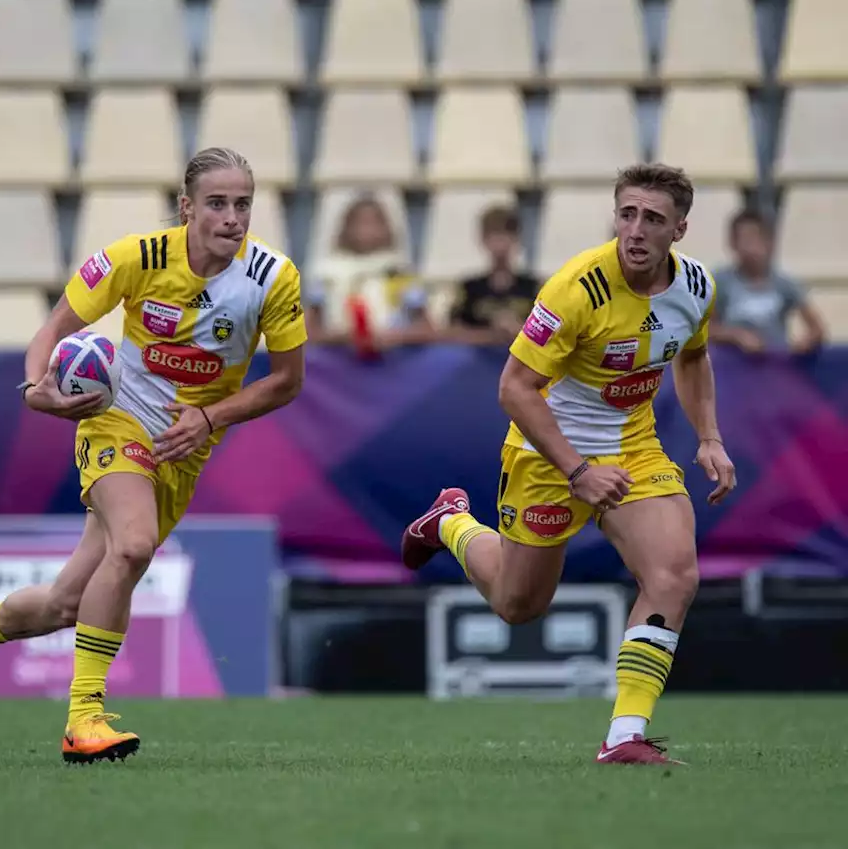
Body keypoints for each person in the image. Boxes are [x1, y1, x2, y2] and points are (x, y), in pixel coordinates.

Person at [0, 146, 308, 764]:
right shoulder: (136, 258)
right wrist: (37, 392)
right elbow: (50, 333)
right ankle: (84, 718)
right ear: (186, 208)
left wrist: (210, 417)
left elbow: (289, 381)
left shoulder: (272, 278)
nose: (232, 217)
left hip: (183, 449)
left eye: (242, 204)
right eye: (217, 204)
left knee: (64, 605)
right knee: (133, 546)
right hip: (117, 425)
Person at [404, 163, 737, 766]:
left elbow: (692, 358)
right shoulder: (576, 288)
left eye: (653, 219)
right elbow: (514, 388)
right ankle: (451, 521)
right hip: (546, 454)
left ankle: (623, 737)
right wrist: (579, 471)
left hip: (634, 449)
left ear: (679, 229)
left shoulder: (695, 287)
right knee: (518, 605)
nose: (635, 230)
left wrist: (709, 437)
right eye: (626, 214)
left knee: (674, 575)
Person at [305, 194, 432, 357]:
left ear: (386, 228)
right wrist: (341, 337)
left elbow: (426, 328)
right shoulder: (327, 274)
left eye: (374, 223)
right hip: (339, 360)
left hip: (394, 360)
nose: (367, 230)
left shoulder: (399, 272)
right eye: (360, 223)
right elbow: (308, 330)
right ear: (346, 227)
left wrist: (396, 336)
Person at [711, 208, 825, 355]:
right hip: (733, 369)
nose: (750, 247)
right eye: (744, 239)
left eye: (755, 239)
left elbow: (817, 329)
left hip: (774, 367)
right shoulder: (720, 281)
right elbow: (705, 330)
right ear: (733, 243)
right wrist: (736, 336)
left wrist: (804, 342)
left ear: (769, 243)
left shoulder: (784, 283)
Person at [446, 205, 540, 347]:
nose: (500, 244)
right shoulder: (469, 288)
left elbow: (549, 336)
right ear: (484, 240)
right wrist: (491, 335)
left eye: (505, 235)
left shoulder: (533, 288)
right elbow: (451, 332)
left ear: (516, 239)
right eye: (494, 236)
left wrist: (517, 329)